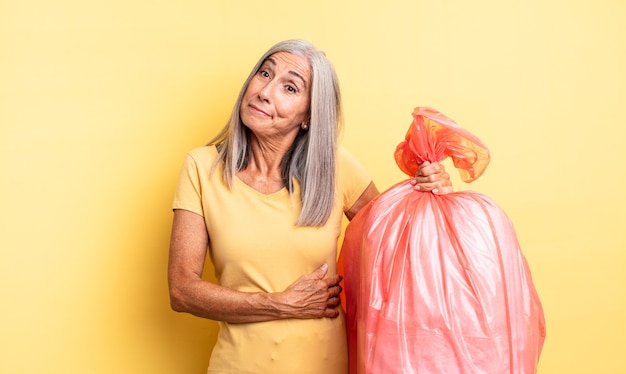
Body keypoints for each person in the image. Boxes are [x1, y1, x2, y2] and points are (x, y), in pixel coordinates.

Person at [167, 39, 453, 374]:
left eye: (289, 87)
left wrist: (432, 195)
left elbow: (401, 251)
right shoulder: (202, 167)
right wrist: (279, 305)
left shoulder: (336, 167)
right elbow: (182, 290)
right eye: (264, 74)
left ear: (308, 116)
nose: (265, 91)